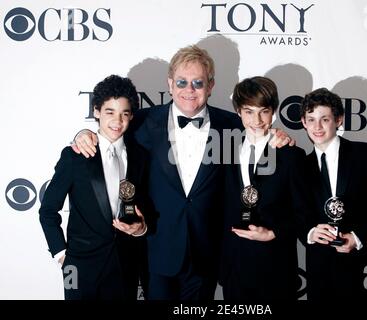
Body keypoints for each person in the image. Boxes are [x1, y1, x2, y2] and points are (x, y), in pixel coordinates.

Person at [72, 45, 293, 300]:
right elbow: (109, 133)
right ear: (170, 83)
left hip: (206, 253)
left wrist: (278, 136)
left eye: (198, 83)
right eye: (182, 82)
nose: (190, 90)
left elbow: (261, 134)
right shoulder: (141, 122)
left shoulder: (234, 126)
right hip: (156, 250)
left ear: (210, 86)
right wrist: (82, 134)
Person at [39, 75, 150, 300]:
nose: (117, 121)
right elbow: (48, 211)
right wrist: (62, 255)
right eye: (110, 112)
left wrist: (142, 228)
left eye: (124, 113)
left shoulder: (140, 157)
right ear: (96, 111)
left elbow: (146, 207)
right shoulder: (75, 156)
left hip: (125, 267)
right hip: (78, 268)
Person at [300, 87, 367, 300]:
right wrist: (309, 232)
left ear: (339, 120)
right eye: (311, 119)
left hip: (362, 261)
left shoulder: (363, 154)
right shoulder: (300, 165)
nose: (317, 127)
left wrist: (357, 237)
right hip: (320, 266)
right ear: (303, 122)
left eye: (324, 119)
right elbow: (296, 213)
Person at [219, 76, 310, 300]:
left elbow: (304, 213)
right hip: (234, 267)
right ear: (238, 112)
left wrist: (273, 233)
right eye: (249, 111)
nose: (257, 120)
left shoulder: (291, 156)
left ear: (274, 112)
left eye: (264, 111)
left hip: (275, 266)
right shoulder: (222, 151)